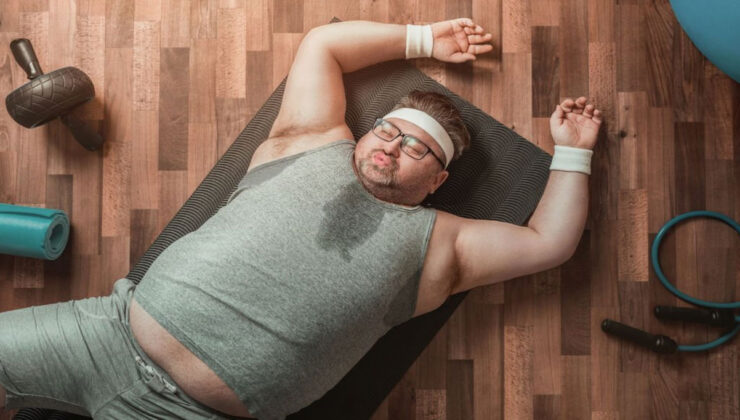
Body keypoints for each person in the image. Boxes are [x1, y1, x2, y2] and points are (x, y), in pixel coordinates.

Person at [0, 18, 602, 420]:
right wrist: (424, 38)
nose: (391, 145)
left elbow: (550, 241)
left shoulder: (445, 245)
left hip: (190, 412)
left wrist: (573, 153)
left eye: (417, 147)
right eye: (387, 130)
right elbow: (323, 45)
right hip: (105, 333)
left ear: (438, 181)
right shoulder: (309, 140)